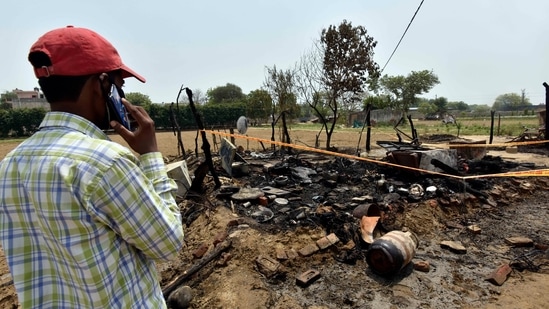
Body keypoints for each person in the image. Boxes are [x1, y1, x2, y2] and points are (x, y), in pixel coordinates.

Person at [0, 26, 184, 308]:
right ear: (101, 83)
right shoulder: (106, 162)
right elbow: (168, 243)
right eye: (118, 84)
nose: (122, 94)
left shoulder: (9, 167)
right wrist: (150, 155)